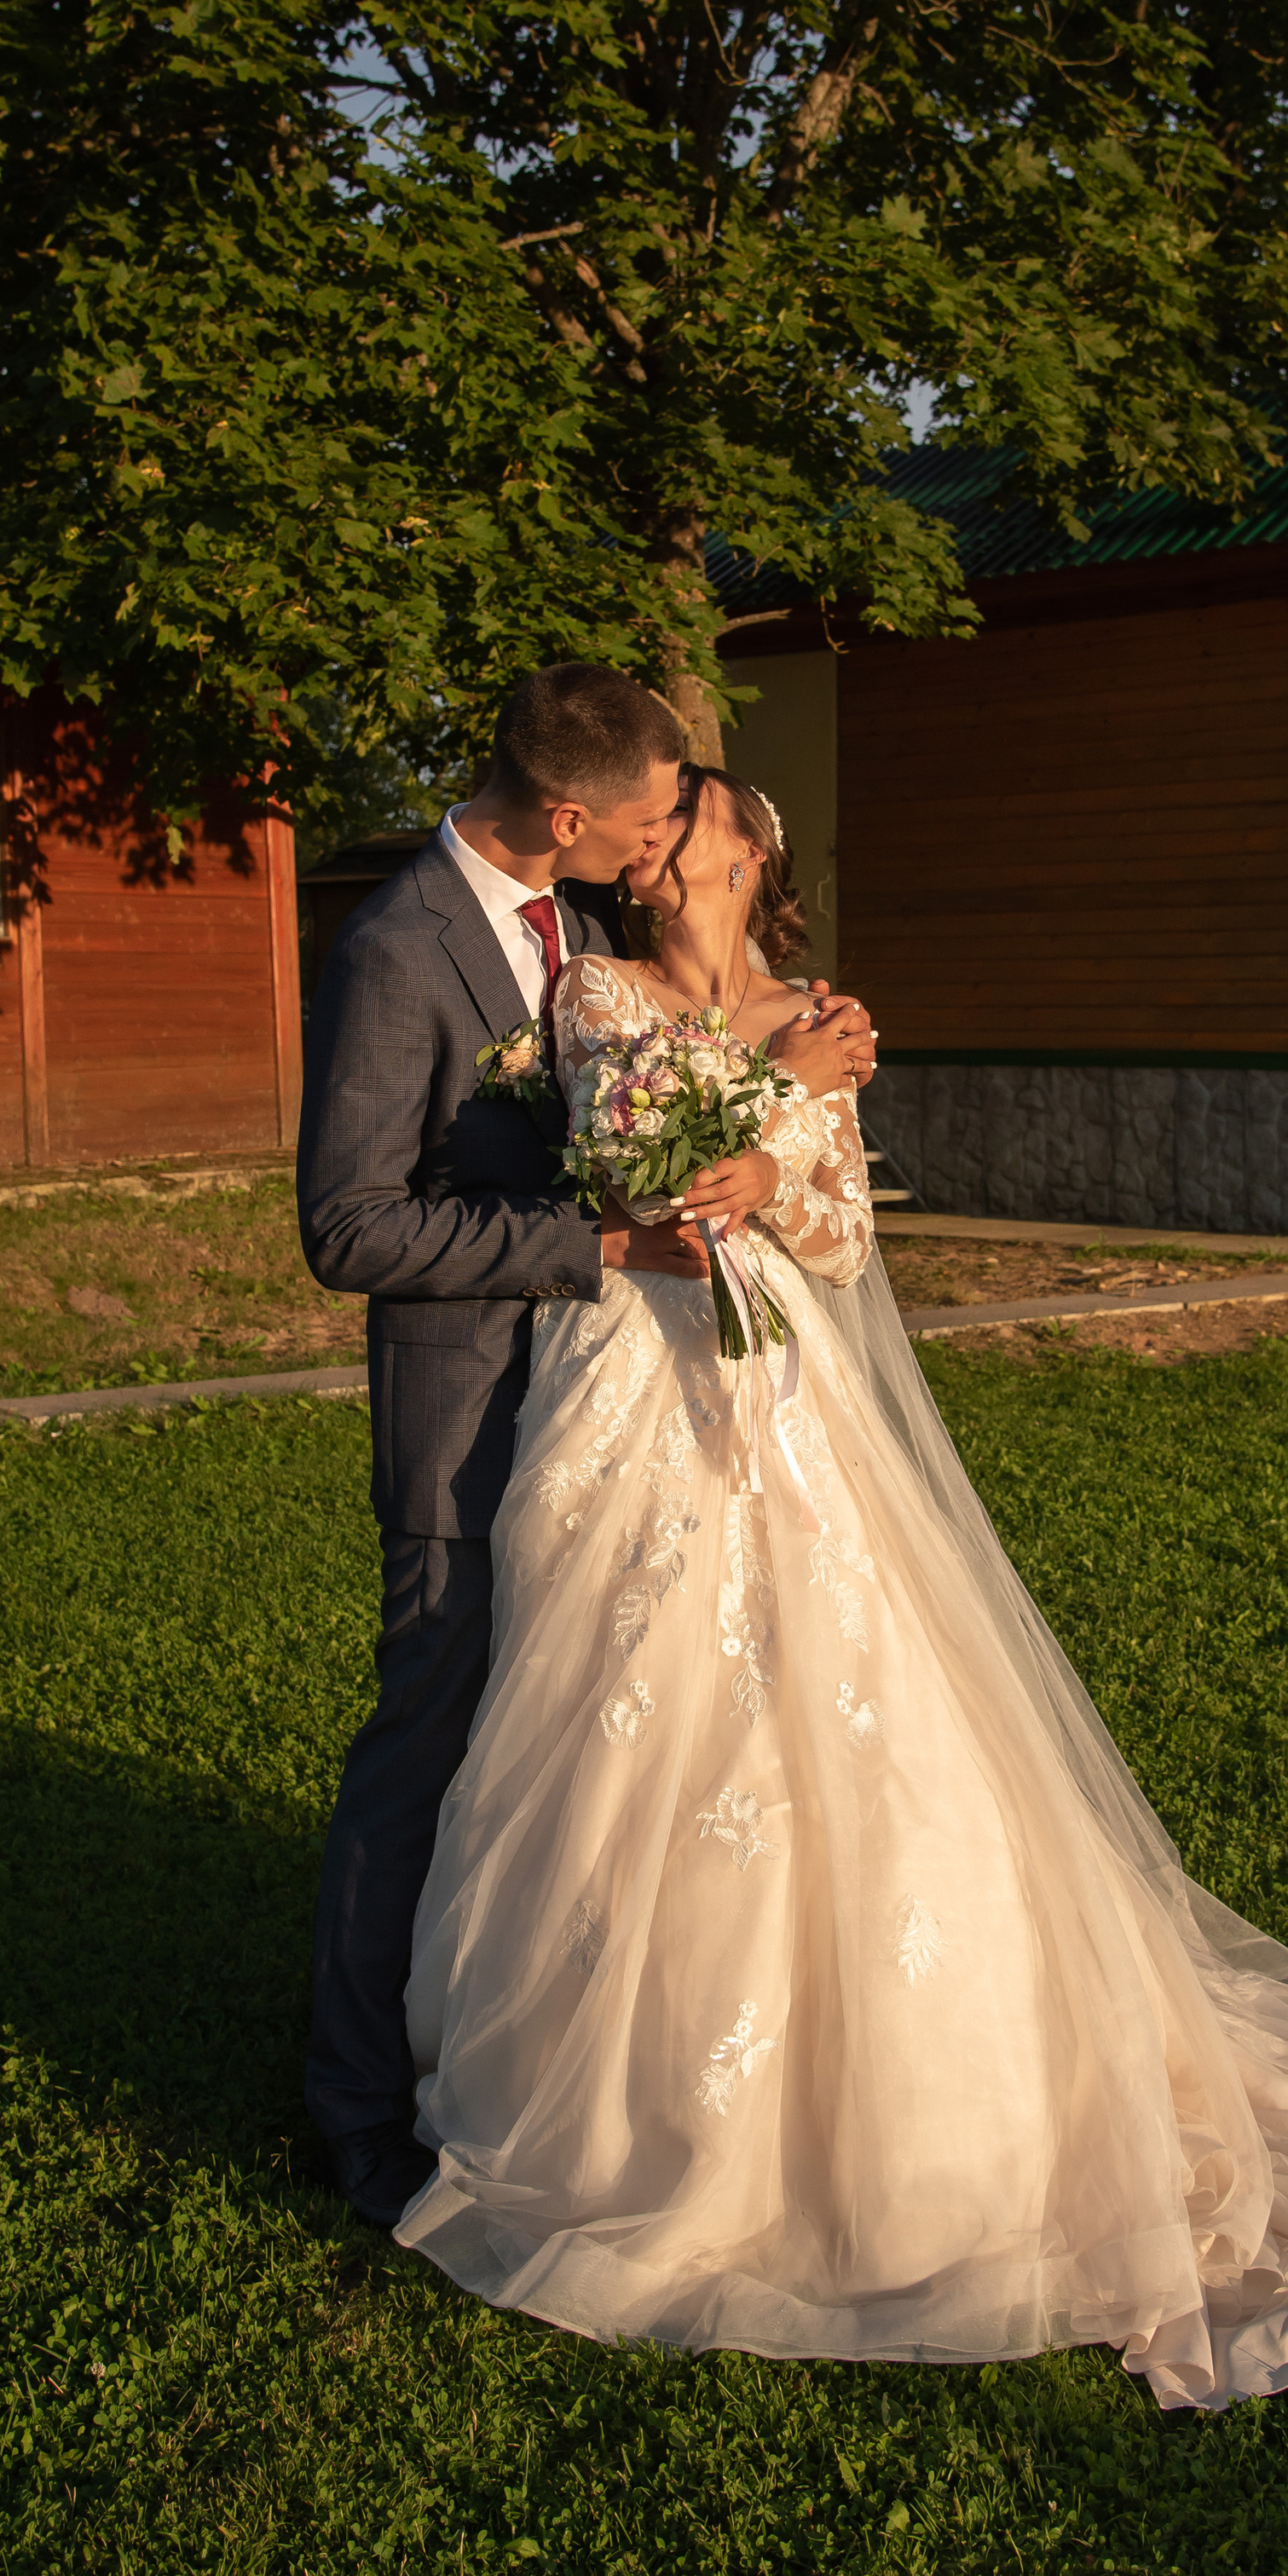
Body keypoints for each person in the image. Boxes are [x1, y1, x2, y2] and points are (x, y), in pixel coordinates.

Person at [390, 765, 1288, 2404]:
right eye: (656, 812)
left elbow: (834, 1234)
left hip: (777, 1398)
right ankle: (603, 2098)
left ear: (754, 848)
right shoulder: (600, 992)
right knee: (623, 1709)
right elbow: (632, 1180)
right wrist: (765, 1098)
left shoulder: (816, 1009)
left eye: (691, 808)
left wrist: (784, 1149)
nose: (660, 833)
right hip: (631, 1381)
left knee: (848, 1725)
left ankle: (909, 2121)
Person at [296, 664, 876, 2223]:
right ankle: (356, 2108)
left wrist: (785, 1072)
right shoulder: (392, 952)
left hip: (608, 1407)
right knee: (423, 1752)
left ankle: (512, 2049)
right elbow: (346, 1225)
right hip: (471, 1412)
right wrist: (598, 1245)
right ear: (568, 812)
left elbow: (681, 1093)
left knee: (562, 1752)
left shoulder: (585, 939)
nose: (655, 842)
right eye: (642, 818)